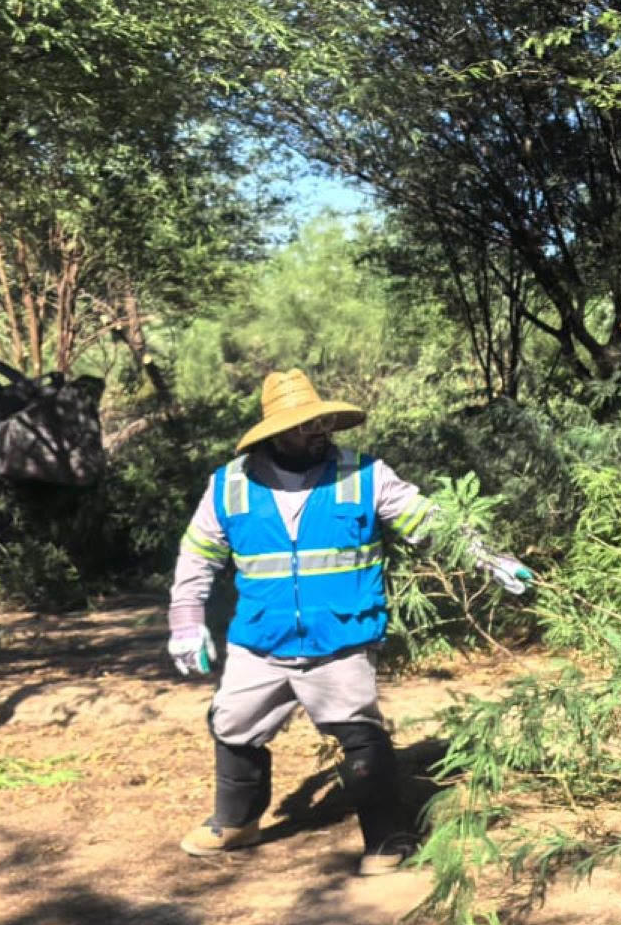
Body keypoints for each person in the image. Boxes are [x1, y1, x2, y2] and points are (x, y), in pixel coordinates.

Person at [167, 370, 533, 875]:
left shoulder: (364, 475)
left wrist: (490, 558)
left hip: (339, 640)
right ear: (274, 433)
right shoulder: (229, 485)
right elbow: (197, 557)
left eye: (321, 423)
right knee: (232, 725)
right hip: (260, 641)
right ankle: (237, 820)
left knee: (360, 733)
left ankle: (388, 839)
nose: (318, 433)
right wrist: (186, 619)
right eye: (303, 427)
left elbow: (431, 523)